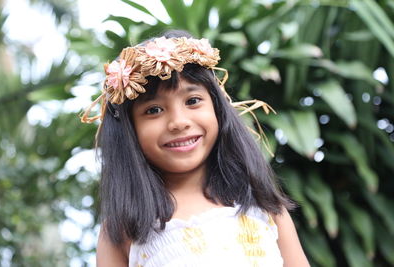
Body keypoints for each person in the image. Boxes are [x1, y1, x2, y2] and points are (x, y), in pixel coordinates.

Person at [82, 29, 310, 267]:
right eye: (153, 110)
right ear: (130, 130)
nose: (179, 122)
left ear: (217, 108)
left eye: (192, 101)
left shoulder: (264, 206)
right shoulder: (122, 230)